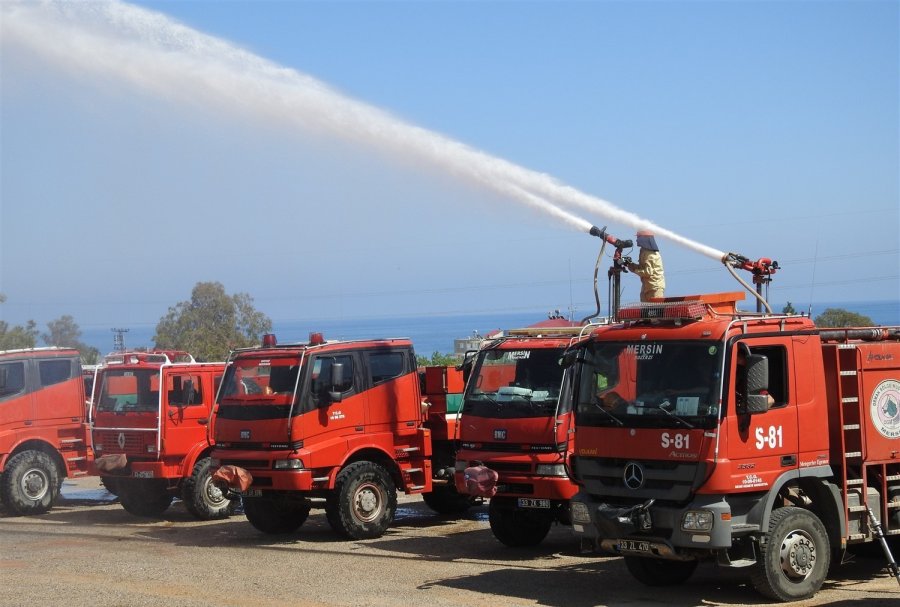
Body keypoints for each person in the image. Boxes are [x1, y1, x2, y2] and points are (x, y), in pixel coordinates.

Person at [627, 230, 665, 302]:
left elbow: (648, 272)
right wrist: (631, 265)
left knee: (655, 309)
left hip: (654, 288)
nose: (636, 240)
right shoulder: (644, 251)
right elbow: (642, 267)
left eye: (638, 237)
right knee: (645, 308)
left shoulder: (651, 255)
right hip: (647, 287)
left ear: (644, 239)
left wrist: (634, 270)